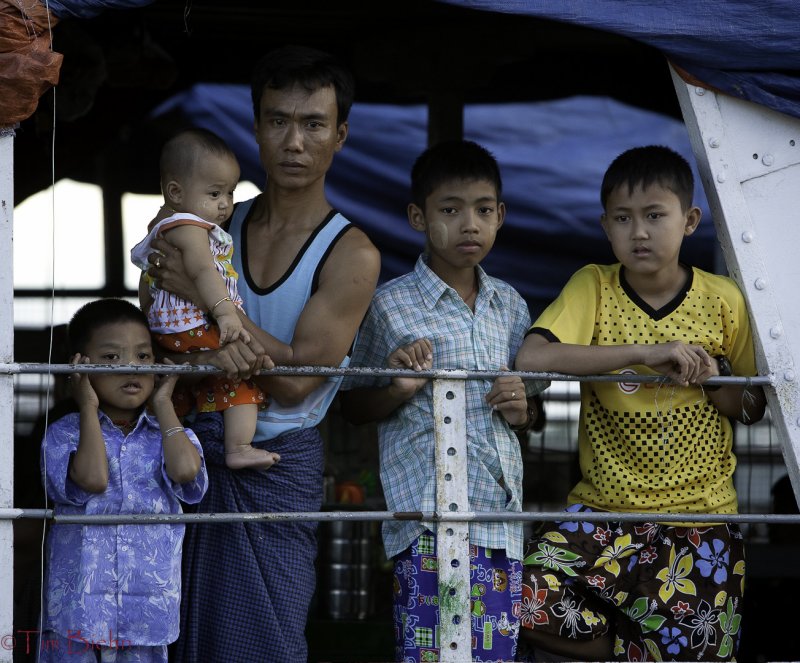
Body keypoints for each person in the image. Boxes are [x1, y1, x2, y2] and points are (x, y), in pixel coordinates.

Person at [145, 45, 380, 662]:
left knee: (265, 643)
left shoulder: (351, 252)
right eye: (277, 121)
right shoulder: (209, 227)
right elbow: (158, 312)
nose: (294, 141)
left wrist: (220, 312)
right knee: (171, 633)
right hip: (187, 448)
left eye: (313, 124)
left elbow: (299, 382)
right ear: (255, 129)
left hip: (276, 463)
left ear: (340, 135)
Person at [514, 145, 767, 662]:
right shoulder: (595, 285)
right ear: (605, 227)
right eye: (624, 219)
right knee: (519, 600)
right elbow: (532, 357)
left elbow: (752, 404)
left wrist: (713, 378)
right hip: (602, 513)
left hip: (701, 520)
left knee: (700, 652)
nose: (640, 233)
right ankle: (634, 653)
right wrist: (646, 352)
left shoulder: (725, 300)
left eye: (655, 216)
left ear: (690, 220)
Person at [339, 140, 548, 663]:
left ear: (500, 216)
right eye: (450, 210)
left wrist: (524, 409)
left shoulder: (511, 305)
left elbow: (532, 410)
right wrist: (395, 388)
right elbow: (351, 406)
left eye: (482, 210)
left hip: (500, 519)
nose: (469, 224)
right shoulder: (389, 305)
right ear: (418, 217)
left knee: (494, 655)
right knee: (430, 652)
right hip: (426, 518)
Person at [39, 298, 208, 662]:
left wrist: (164, 403)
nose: (131, 366)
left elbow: (185, 472)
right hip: (78, 612)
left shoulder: (172, 433)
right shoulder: (64, 433)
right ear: (81, 366)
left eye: (143, 356)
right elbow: (93, 480)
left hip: (146, 612)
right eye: (112, 358)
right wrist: (87, 405)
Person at [131, 128, 278, 472]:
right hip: (193, 324)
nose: (226, 203)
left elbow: (146, 287)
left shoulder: (167, 225)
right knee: (240, 373)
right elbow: (201, 271)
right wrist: (225, 312)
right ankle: (239, 446)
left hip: (172, 328)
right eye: (214, 193)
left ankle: (163, 451)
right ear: (176, 192)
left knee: (180, 392)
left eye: (229, 192)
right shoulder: (188, 226)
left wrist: (151, 317)